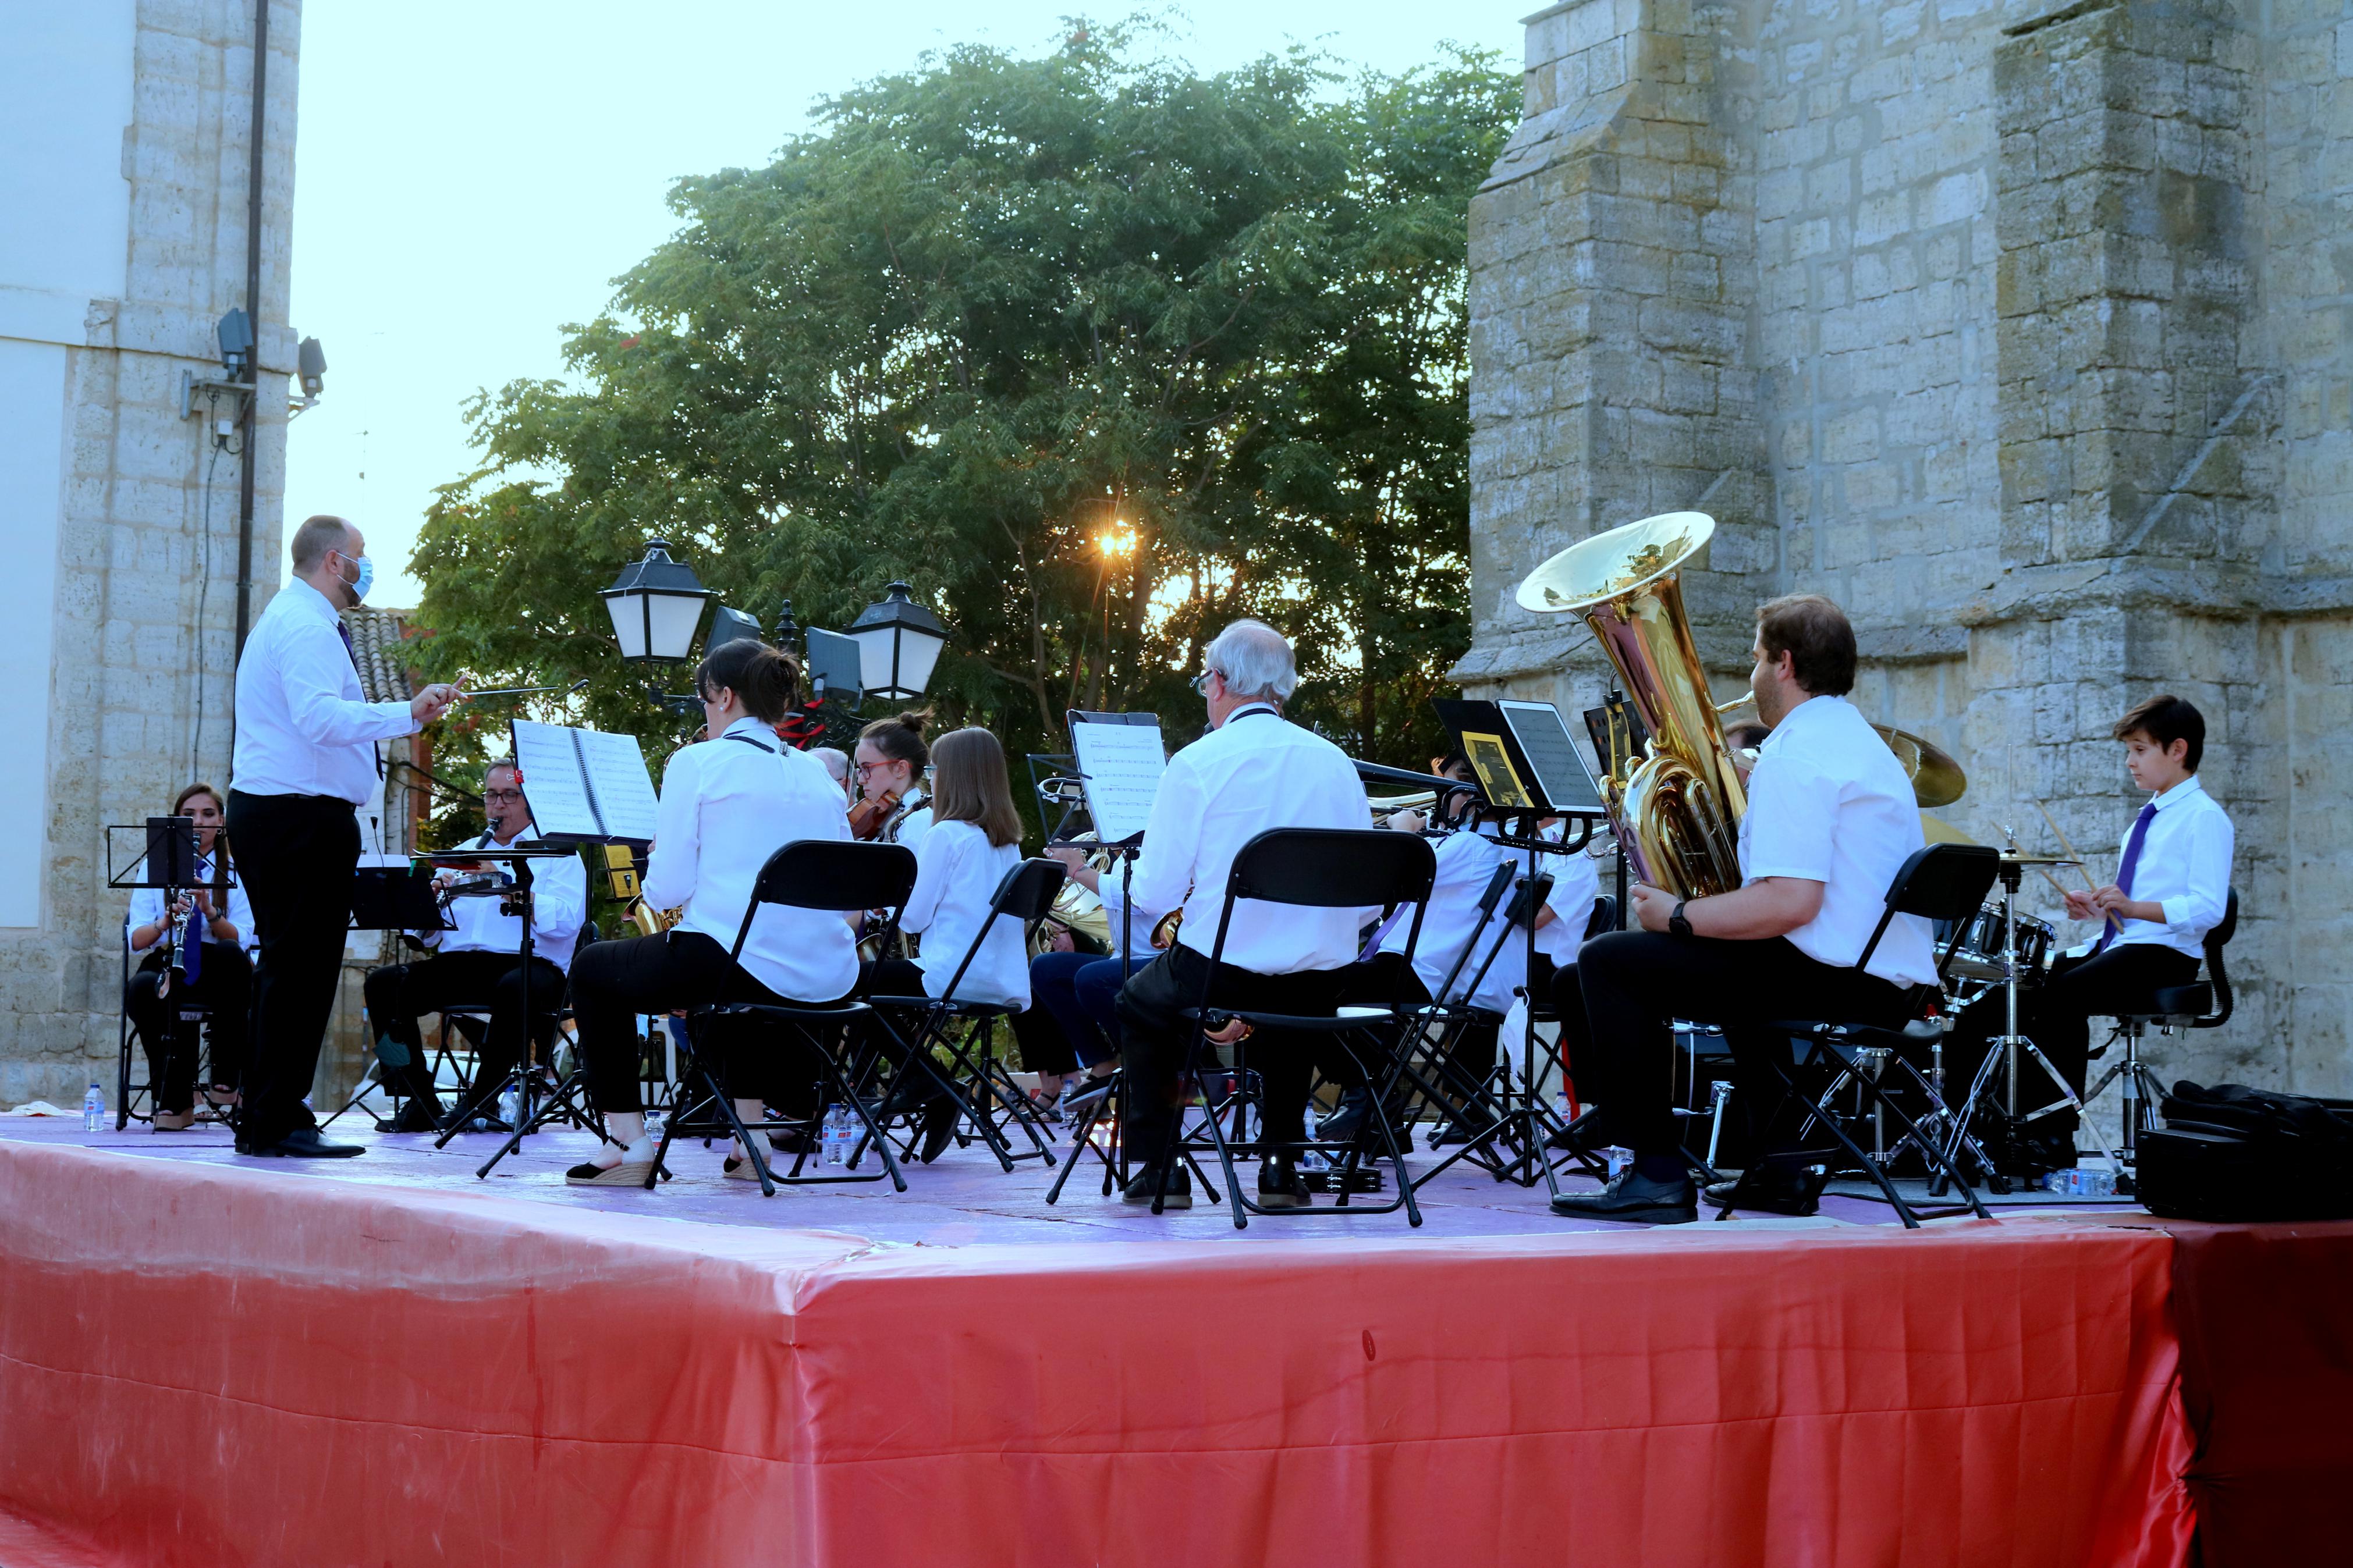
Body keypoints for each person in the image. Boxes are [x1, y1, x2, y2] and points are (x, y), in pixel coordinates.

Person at [1550, 594, 1937, 1224]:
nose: (1751, 675)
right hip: (1879, 981)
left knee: (1607, 962)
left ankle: (1654, 1173)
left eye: (1756, 659)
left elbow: (1789, 901)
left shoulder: (1796, 753)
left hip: (1836, 980)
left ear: (1783, 665)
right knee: (1728, 972)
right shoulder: (1857, 741)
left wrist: (1677, 915)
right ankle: (1778, 1168)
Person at [564, 638, 856, 1185]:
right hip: (827, 973)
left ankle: (627, 1142)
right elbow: (842, 888)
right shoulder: (818, 775)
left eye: (703, 701)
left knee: (593, 970)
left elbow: (667, 889)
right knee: (729, 973)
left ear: (723, 696)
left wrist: (660, 866)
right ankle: (753, 1142)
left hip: (736, 960)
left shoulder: (698, 761)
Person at [1112, 619, 1372, 1211]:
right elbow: (1368, 903)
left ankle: (1160, 1166)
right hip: (1321, 979)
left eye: (1205, 679)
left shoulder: (1199, 762)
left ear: (1221, 681)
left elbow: (1152, 893)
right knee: (1287, 1004)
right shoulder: (1335, 763)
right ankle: (1280, 1167)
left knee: (1139, 1001)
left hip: (1220, 972)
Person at [227, 515, 462, 1158]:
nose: (366, 565)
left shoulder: (297, 619)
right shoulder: (304, 624)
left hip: (287, 813)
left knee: (292, 968)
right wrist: (406, 710)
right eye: (361, 555)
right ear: (334, 561)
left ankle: (269, 1113)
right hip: (296, 816)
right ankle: (276, 1118)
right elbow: (318, 717)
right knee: (299, 970)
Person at [1946, 694, 2234, 1166]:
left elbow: (2207, 909)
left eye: (2140, 750)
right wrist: (2100, 911)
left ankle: (2054, 1135)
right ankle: (1985, 1128)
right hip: (2124, 944)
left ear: (2177, 749)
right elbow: (2136, 910)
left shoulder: (2204, 818)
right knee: (2003, 993)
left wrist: (2132, 905)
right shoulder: (2148, 818)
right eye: (2129, 751)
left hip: (2163, 956)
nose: (2129, 762)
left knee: (2058, 998)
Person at [360, 759, 587, 1133]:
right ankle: (418, 1101)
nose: (498, 805)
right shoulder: (462, 852)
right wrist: (428, 902)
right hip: (461, 965)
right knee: (384, 984)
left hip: (532, 965)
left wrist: (500, 880)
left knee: (515, 987)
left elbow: (565, 923)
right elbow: (428, 937)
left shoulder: (558, 855)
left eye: (509, 796)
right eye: (492, 796)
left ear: (530, 801)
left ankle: (484, 1099)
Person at [863, 726, 1030, 1161]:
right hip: (1002, 982)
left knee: (847, 983)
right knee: (873, 984)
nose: (931, 776)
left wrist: (885, 895)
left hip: (949, 976)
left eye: (934, 768)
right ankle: (929, 1083)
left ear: (951, 776)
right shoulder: (1007, 844)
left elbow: (914, 918)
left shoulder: (946, 834)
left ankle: (927, 1082)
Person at [124, 784, 257, 1130]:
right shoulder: (155, 868)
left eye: (208, 814)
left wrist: (209, 910)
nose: (199, 822)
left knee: (229, 952)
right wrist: (165, 920)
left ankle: (225, 1079)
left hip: (221, 968)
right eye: (189, 816)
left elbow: (243, 938)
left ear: (222, 821)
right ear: (175, 822)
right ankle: (175, 1099)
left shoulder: (237, 870)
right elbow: (137, 940)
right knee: (141, 989)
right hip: (169, 957)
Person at [1031, 846, 1176, 1117]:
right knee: (1044, 969)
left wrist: (1079, 870)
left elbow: (1142, 899)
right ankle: (1103, 1062)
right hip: (1124, 958)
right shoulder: (1124, 855)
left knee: (1091, 979)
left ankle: (1140, 1056)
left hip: (1165, 960)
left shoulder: (1161, 847)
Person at [852, 711, 934, 848]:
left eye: (867, 768)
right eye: (860, 769)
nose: (860, 780)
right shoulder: (887, 816)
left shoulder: (916, 822)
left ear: (900, 768)